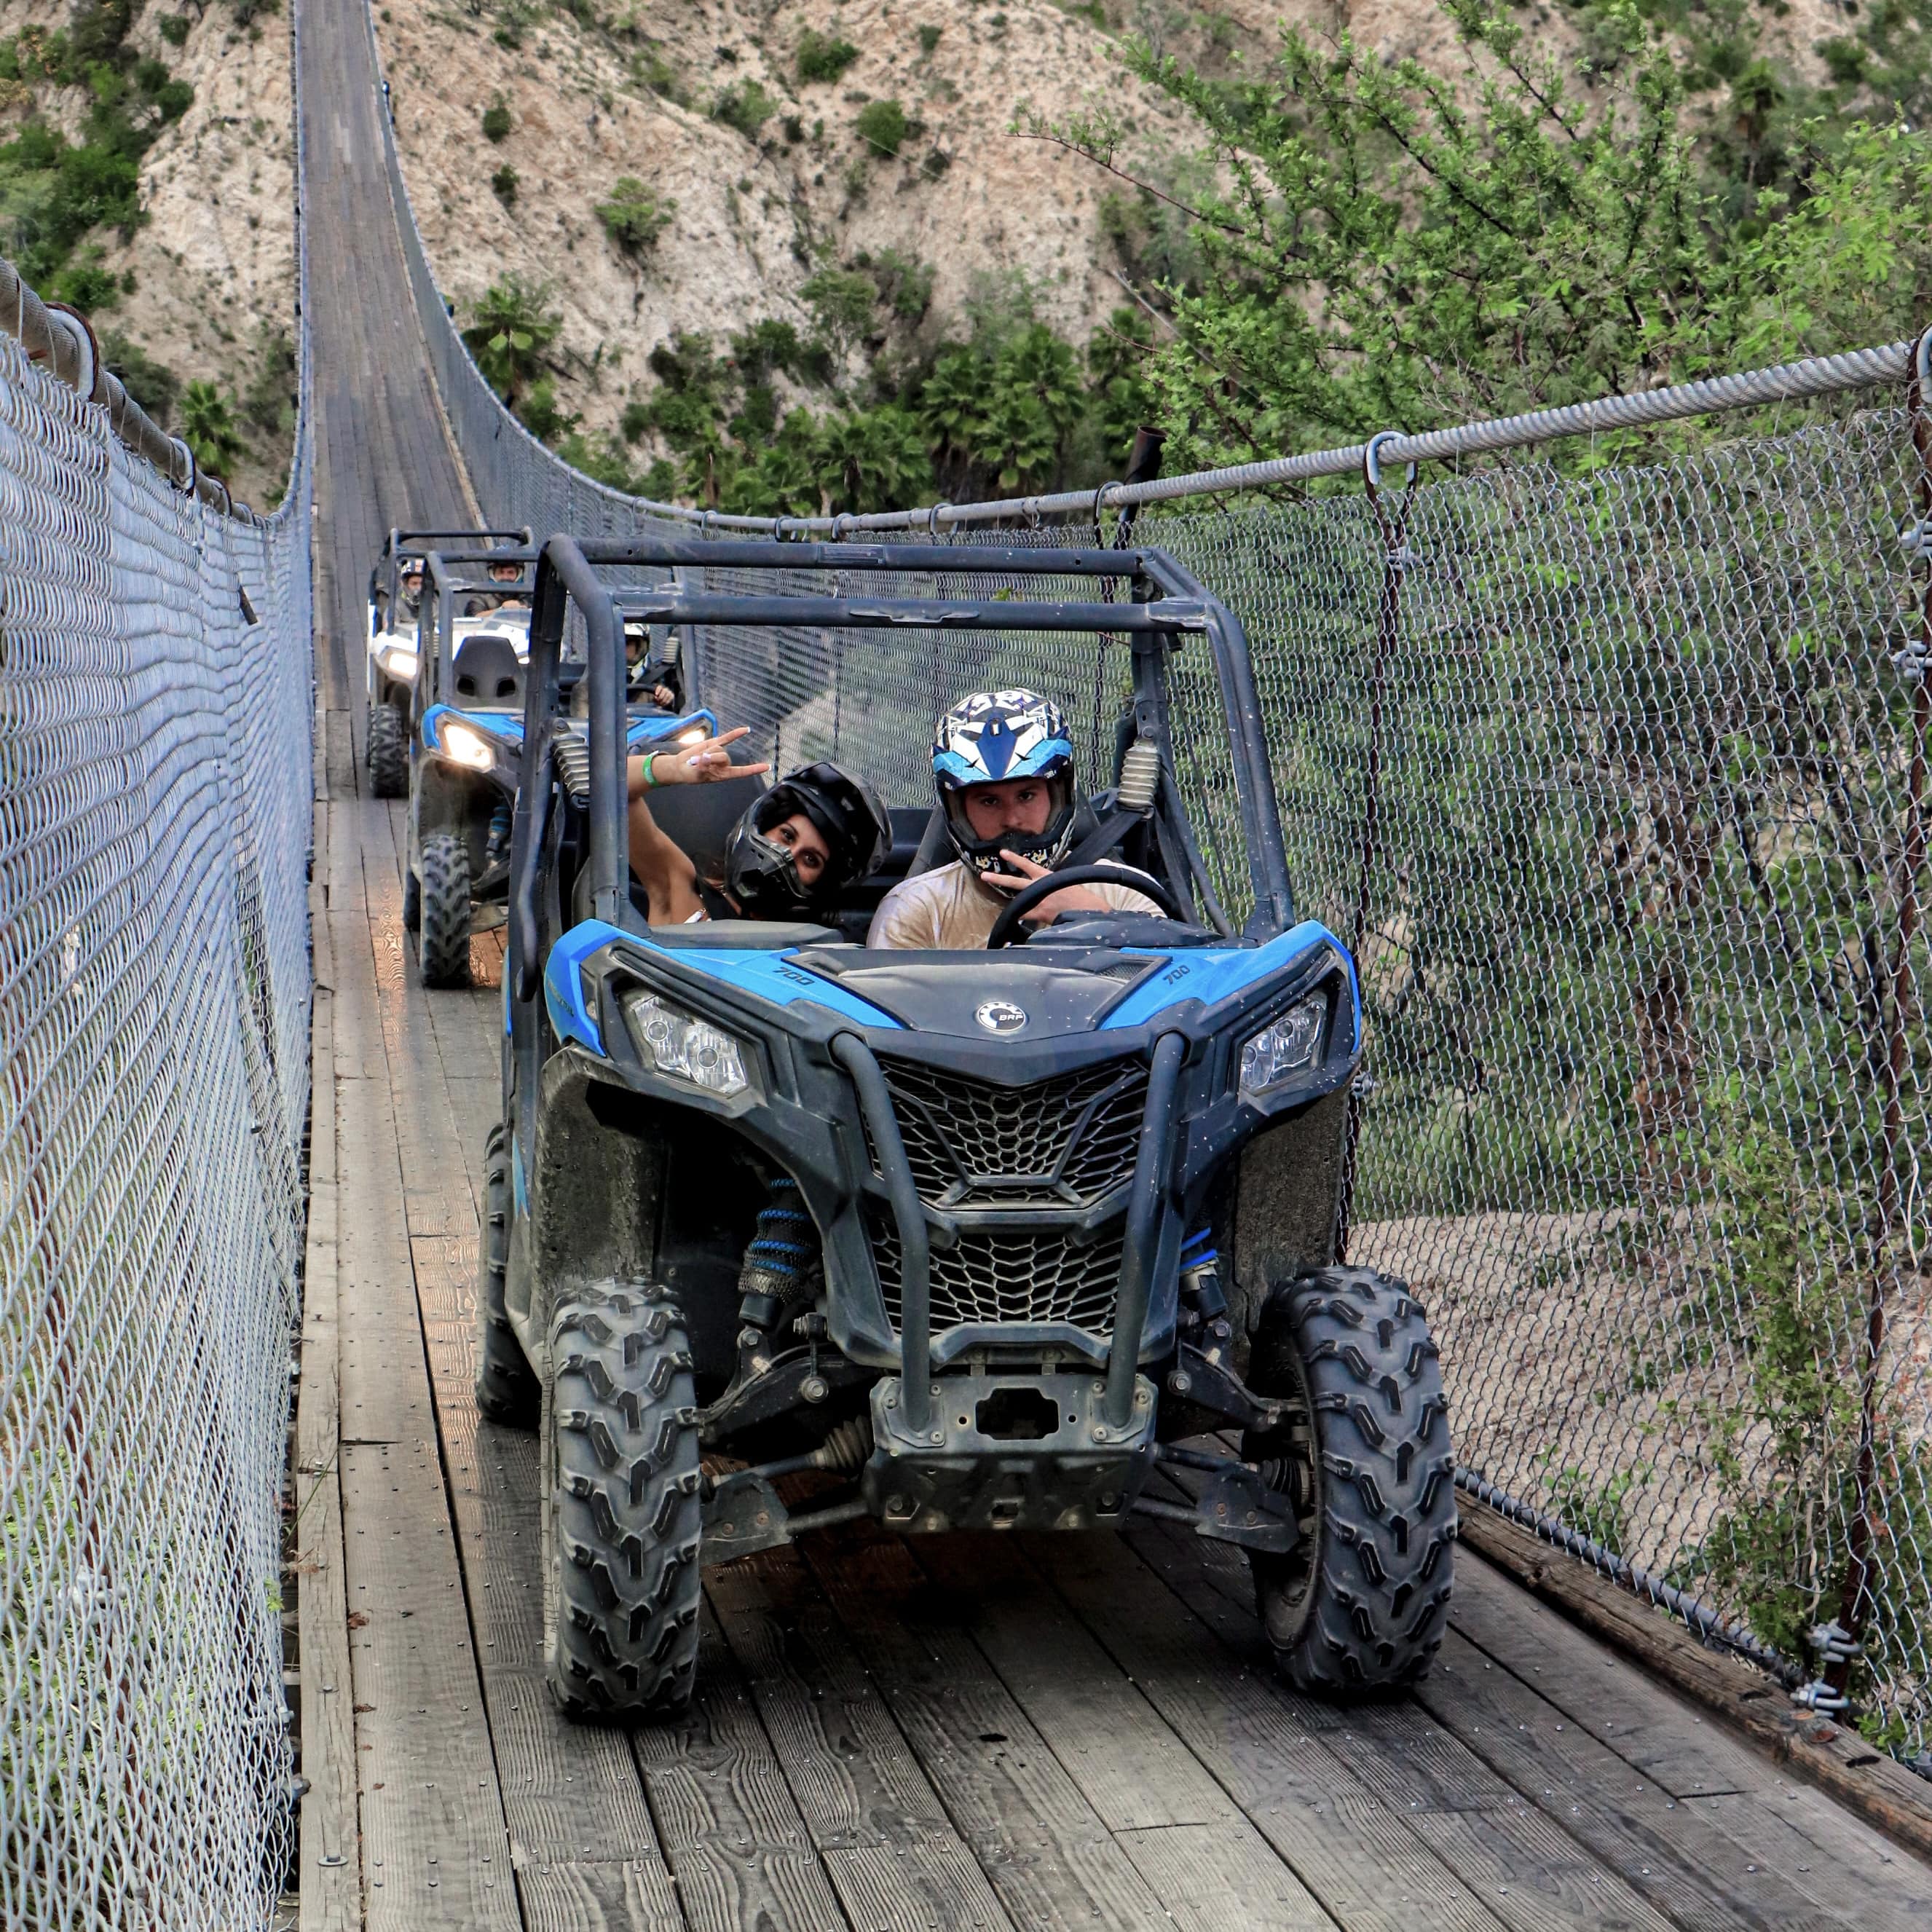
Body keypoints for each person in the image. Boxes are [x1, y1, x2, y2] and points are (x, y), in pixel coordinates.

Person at [867, 689, 1161, 949]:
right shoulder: (915, 909)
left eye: (1026, 796)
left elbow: (1170, 993)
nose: (1012, 819)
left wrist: (1097, 919)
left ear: (1059, 795)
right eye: (989, 801)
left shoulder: (1126, 893)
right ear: (958, 811)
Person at [625, 730, 888, 926]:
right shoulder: (681, 887)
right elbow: (611, 786)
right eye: (786, 835)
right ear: (765, 826)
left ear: (823, 883)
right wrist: (670, 768)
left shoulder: (811, 949)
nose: (786, 856)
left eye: (810, 859)